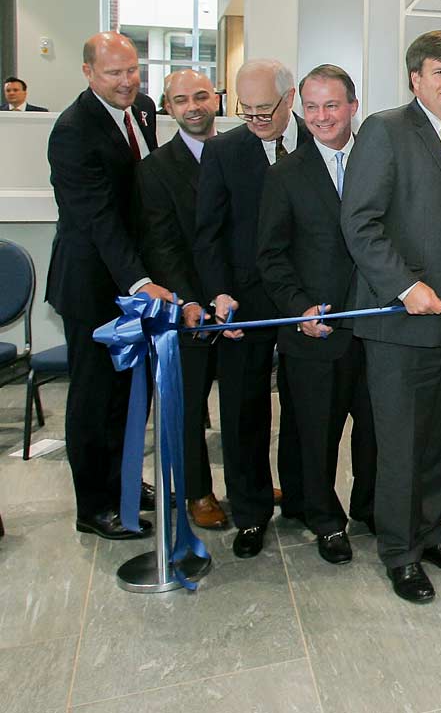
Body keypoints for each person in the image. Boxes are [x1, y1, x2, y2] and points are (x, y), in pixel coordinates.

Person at [341, 30, 441, 604]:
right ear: (415, 79)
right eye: (439, 73)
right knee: (403, 444)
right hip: (399, 325)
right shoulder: (385, 131)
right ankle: (399, 551)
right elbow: (360, 223)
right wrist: (405, 286)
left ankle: (430, 531)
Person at [47, 32, 180, 539]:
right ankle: (95, 505)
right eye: (114, 73)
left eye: (132, 70)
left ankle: (124, 477)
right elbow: (100, 219)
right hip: (93, 287)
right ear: (88, 73)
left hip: (135, 283)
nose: (127, 82)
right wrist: (142, 281)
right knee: (95, 398)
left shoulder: (142, 109)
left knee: (132, 393)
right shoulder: (73, 131)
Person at [256, 64, 378, 565]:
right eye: (312, 107)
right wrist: (297, 307)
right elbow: (271, 255)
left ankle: (370, 510)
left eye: (332, 105)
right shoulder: (285, 174)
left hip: (375, 328)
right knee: (316, 433)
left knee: (376, 432)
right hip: (315, 330)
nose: (322, 117)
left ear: (353, 106)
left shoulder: (379, 161)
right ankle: (325, 519)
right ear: (301, 112)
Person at [194, 58, 309, 559]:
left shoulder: (319, 137)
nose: (258, 120)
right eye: (248, 111)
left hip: (305, 299)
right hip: (243, 299)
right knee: (243, 409)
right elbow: (208, 233)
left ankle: (305, 499)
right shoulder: (223, 152)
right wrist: (219, 293)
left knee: (307, 407)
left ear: (290, 100)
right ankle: (250, 511)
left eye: (267, 110)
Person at [134, 68, 227, 530]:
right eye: (181, 100)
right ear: (168, 109)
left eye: (201, 96)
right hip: (187, 309)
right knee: (189, 406)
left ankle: (249, 481)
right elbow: (161, 245)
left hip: (238, 308)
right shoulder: (155, 169)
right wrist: (190, 300)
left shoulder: (238, 154)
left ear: (216, 100)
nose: (193, 106)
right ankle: (198, 492)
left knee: (244, 402)